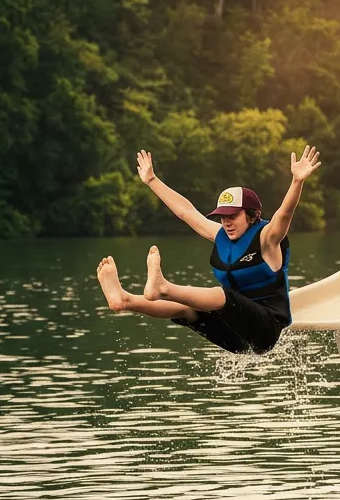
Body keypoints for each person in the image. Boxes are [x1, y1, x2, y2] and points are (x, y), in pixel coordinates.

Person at [95, 145, 321, 354]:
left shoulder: (267, 239)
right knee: (186, 309)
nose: (227, 222)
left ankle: (163, 287)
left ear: (252, 216)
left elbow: (284, 214)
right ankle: (124, 301)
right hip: (235, 339)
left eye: (233, 216)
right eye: (223, 217)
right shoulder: (220, 235)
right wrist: (152, 180)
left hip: (265, 331)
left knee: (222, 295)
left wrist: (297, 181)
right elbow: (186, 212)